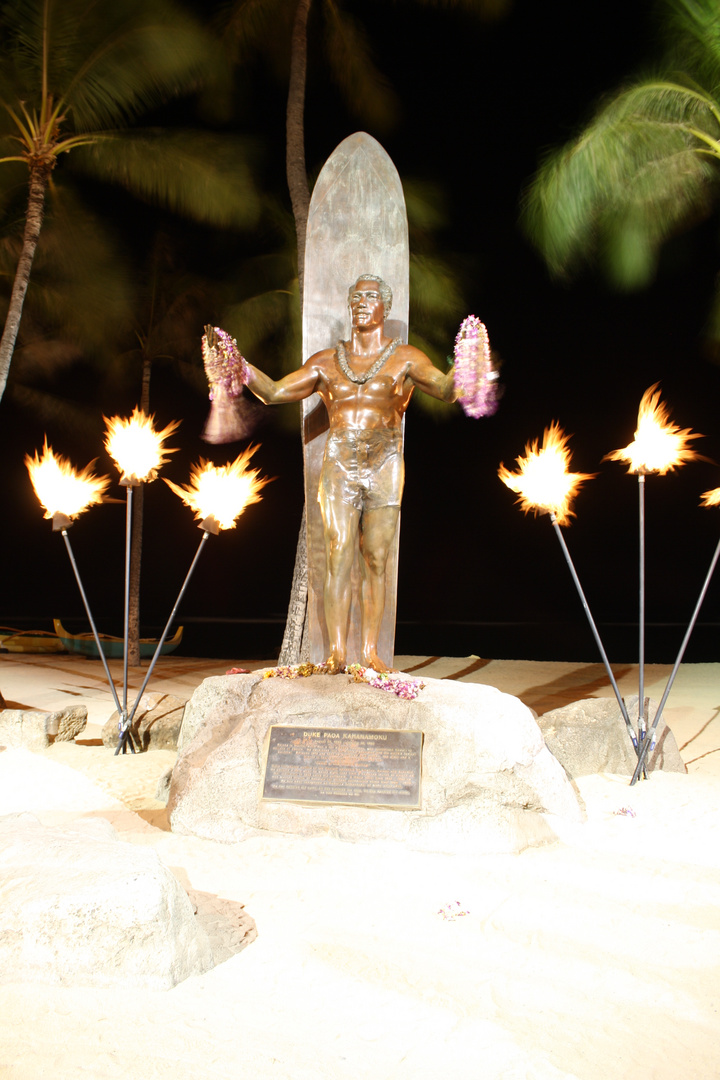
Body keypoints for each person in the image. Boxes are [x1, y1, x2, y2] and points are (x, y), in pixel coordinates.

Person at [245, 275, 459, 674]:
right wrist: (238, 367)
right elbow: (274, 392)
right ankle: (337, 654)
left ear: (385, 307)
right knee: (339, 551)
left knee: (376, 557)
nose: (362, 302)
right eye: (356, 297)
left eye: (371, 296)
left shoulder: (406, 358)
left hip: (384, 460)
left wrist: (467, 363)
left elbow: (446, 390)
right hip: (341, 461)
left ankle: (372, 653)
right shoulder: (327, 362)